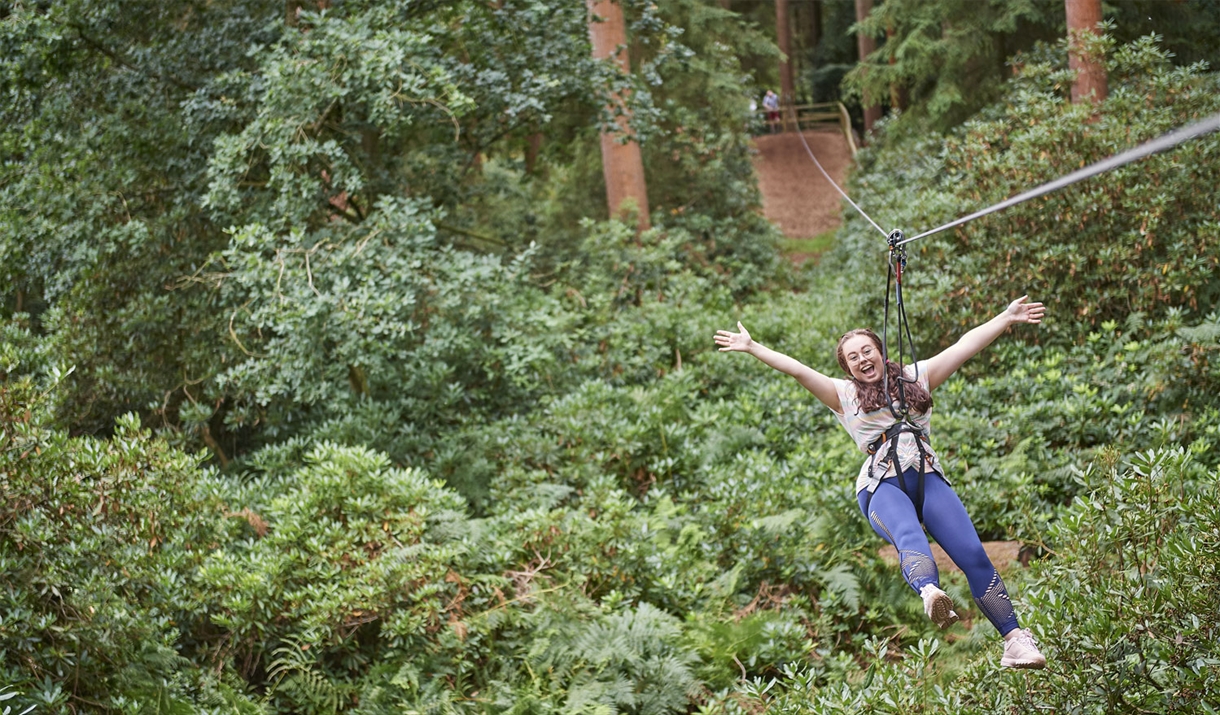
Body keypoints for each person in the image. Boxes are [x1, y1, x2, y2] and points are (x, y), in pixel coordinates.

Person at [713, 296, 1048, 669]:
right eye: (852, 357)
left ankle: (1015, 640)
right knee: (910, 537)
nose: (862, 359)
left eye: (866, 350)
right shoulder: (844, 396)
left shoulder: (916, 377)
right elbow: (798, 370)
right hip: (880, 487)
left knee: (973, 555)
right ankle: (930, 591)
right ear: (847, 367)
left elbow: (963, 347)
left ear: (879, 350)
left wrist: (1005, 318)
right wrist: (753, 347)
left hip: (928, 478)